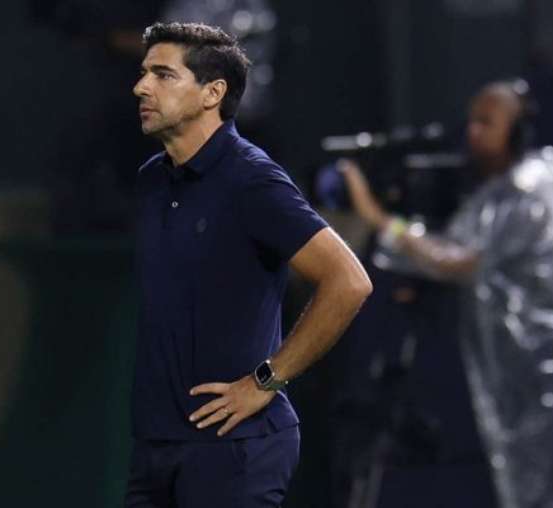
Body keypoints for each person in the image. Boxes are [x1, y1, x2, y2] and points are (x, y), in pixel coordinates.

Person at [127, 22, 372, 508]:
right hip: (156, 447)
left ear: (212, 93)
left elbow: (348, 281)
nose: (141, 87)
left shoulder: (250, 179)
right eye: (143, 72)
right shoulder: (153, 179)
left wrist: (267, 380)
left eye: (163, 75)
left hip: (233, 448)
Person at [340, 80, 553, 508]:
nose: (473, 133)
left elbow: (456, 261)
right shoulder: (501, 190)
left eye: (486, 123)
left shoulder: (527, 189)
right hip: (524, 367)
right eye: (471, 121)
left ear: (517, 132)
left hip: (550, 369)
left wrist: (380, 220)